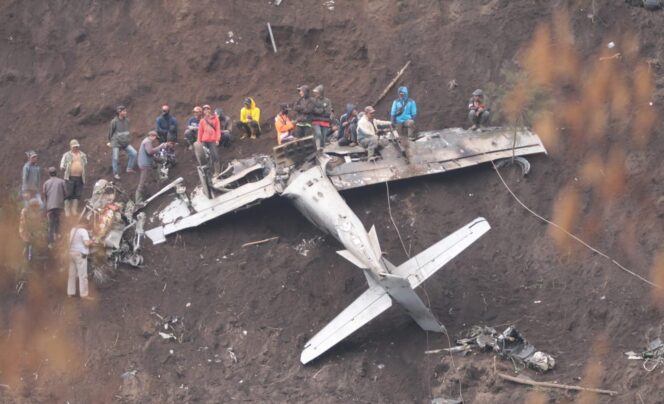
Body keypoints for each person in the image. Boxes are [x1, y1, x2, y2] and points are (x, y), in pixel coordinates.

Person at [136, 131, 170, 203]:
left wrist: (159, 160)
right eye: (155, 137)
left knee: (155, 171)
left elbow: (150, 155)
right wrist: (160, 146)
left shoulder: (146, 141)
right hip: (145, 164)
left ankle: (161, 182)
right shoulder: (147, 142)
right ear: (152, 136)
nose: (155, 139)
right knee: (142, 182)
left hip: (146, 163)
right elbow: (150, 152)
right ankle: (138, 201)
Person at [108, 105, 137, 180]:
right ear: (119, 112)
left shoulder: (127, 120)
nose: (125, 112)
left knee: (134, 153)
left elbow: (126, 131)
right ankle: (116, 173)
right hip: (116, 143)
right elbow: (110, 132)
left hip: (125, 142)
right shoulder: (114, 122)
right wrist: (110, 141)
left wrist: (127, 139)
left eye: (125, 111)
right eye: (124, 111)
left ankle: (129, 168)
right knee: (115, 158)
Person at [60, 139, 87, 216]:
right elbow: (62, 163)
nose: (76, 148)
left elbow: (85, 163)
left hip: (80, 177)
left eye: (77, 146)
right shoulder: (66, 155)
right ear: (71, 147)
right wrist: (62, 166)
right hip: (70, 177)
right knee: (68, 194)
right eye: (74, 147)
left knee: (77, 194)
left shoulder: (82, 155)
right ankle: (67, 211)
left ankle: (74, 210)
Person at [68, 220, 94, 300]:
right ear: (84, 224)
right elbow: (86, 243)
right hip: (80, 255)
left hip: (71, 253)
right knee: (82, 275)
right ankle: (84, 294)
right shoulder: (83, 231)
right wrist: (92, 241)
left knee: (71, 274)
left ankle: (70, 293)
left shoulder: (72, 230)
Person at [42, 167, 67, 247]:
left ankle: (50, 243)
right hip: (59, 206)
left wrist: (45, 208)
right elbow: (66, 193)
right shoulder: (62, 182)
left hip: (50, 207)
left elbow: (44, 196)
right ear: (56, 173)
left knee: (50, 224)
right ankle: (59, 237)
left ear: (49, 174)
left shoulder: (46, 183)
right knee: (59, 222)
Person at [196, 105, 221, 173]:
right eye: (204, 110)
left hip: (212, 140)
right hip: (204, 141)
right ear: (203, 112)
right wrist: (199, 141)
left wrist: (217, 139)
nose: (206, 111)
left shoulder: (215, 119)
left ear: (210, 110)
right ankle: (208, 173)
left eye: (207, 109)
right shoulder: (202, 121)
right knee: (205, 157)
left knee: (214, 155)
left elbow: (218, 130)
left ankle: (217, 171)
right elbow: (200, 131)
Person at [311, 85, 333, 149]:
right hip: (316, 121)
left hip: (325, 121)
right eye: (315, 92)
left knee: (323, 138)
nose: (315, 94)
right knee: (318, 134)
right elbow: (313, 110)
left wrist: (319, 112)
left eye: (317, 92)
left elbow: (328, 112)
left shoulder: (327, 101)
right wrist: (322, 110)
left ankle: (322, 150)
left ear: (321, 92)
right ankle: (317, 148)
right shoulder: (313, 100)